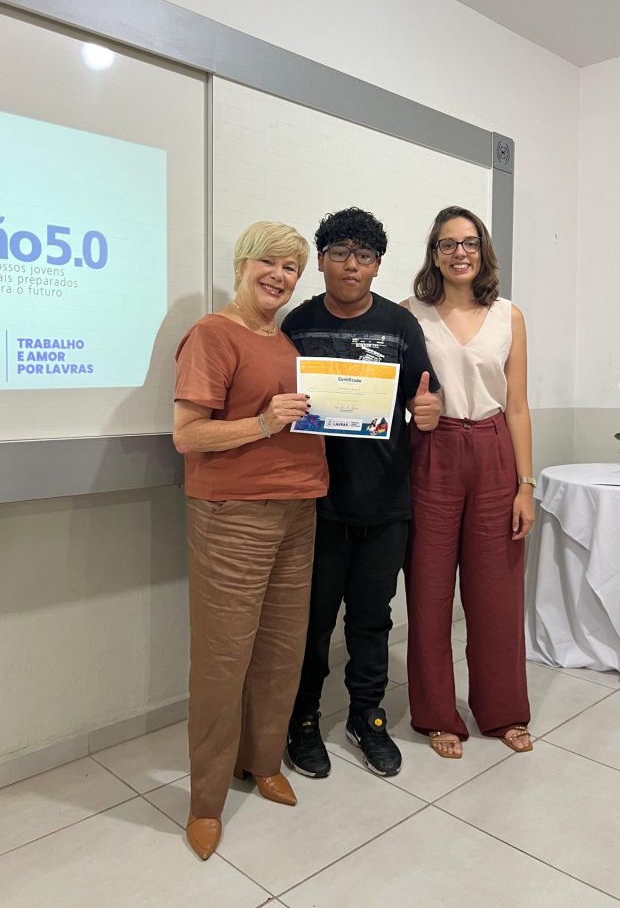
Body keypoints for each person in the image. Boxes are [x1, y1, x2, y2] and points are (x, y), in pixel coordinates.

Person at [173, 221, 328, 860]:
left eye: (292, 268)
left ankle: (262, 762)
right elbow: (187, 435)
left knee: (281, 650)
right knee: (222, 658)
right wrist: (262, 424)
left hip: (299, 510)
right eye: (269, 262)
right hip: (233, 514)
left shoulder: (287, 343)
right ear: (242, 264)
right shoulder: (212, 334)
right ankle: (205, 802)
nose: (280, 276)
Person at [282, 207, 441, 780]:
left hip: (385, 501)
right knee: (312, 623)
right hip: (315, 503)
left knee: (372, 620)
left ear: (377, 266)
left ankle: (367, 717)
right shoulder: (297, 324)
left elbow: (427, 397)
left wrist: (429, 410)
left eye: (365, 255)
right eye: (340, 253)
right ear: (322, 261)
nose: (352, 265)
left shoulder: (400, 326)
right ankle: (302, 719)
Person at [401, 206, 535, 759]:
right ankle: (437, 715)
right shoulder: (410, 314)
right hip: (432, 452)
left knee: (497, 592)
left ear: (483, 252)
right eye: (448, 244)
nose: (460, 252)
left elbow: (518, 406)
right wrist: (416, 410)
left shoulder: (509, 315)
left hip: (494, 450)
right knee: (429, 591)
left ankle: (504, 711)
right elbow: (397, 398)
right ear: (434, 254)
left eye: (470, 242)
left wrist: (525, 485)